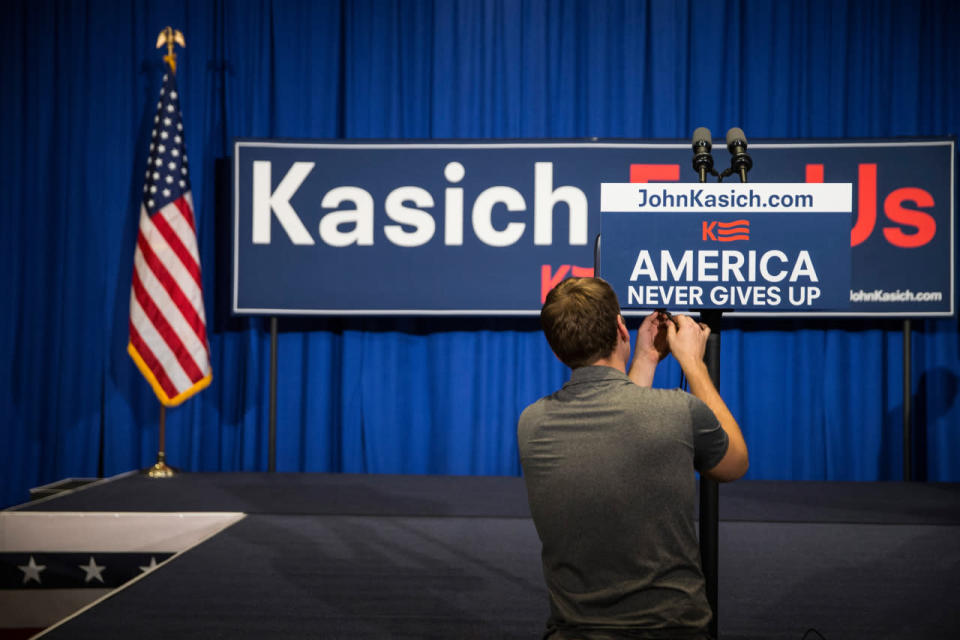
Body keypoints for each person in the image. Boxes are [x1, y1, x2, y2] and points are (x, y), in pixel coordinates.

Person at [517, 277, 748, 640]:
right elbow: (734, 464)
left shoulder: (532, 422)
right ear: (621, 328)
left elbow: (622, 432)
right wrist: (693, 365)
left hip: (574, 632)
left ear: (557, 350)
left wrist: (644, 359)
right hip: (672, 631)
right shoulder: (676, 410)